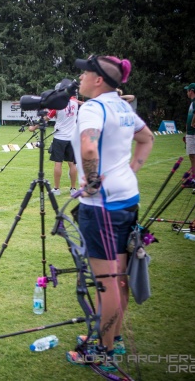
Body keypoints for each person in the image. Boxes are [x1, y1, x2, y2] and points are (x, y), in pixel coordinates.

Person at [66, 55, 154, 371]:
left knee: (107, 281)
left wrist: (90, 182)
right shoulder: (122, 106)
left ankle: (101, 351)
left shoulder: (94, 107)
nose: (81, 78)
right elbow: (147, 139)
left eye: (86, 73)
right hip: (127, 199)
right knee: (117, 278)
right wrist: (130, 170)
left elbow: (89, 147)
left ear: (99, 80)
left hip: (102, 206)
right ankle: (111, 339)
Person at [29, 94, 79, 195]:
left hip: (60, 137)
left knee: (58, 163)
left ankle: (57, 189)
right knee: (72, 164)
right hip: (72, 137)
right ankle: (73, 189)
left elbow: (46, 118)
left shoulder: (58, 106)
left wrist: (33, 127)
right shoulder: (75, 102)